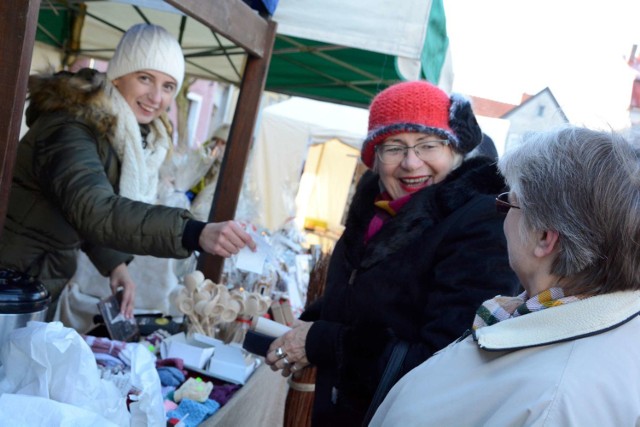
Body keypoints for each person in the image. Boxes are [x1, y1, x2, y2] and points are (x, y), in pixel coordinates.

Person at [265, 80, 519, 426]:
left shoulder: (480, 222)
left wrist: (323, 342)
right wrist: (309, 322)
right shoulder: (373, 212)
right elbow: (366, 297)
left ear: (454, 151)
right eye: (394, 147)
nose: (411, 163)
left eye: (428, 145)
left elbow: (444, 359)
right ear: (375, 158)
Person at [370, 126, 640, 426]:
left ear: (543, 237)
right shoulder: (534, 314)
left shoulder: (557, 401)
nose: (502, 217)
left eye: (508, 203)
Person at [0, 23, 255, 321]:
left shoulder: (123, 135)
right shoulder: (69, 127)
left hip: (35, 277)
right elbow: (93, 209)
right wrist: (192, 231)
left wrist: (115, 264)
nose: (156, 97)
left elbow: (74, 206)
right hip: (10, 274)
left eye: (168, 86)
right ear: (119, 75)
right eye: (145, 78)